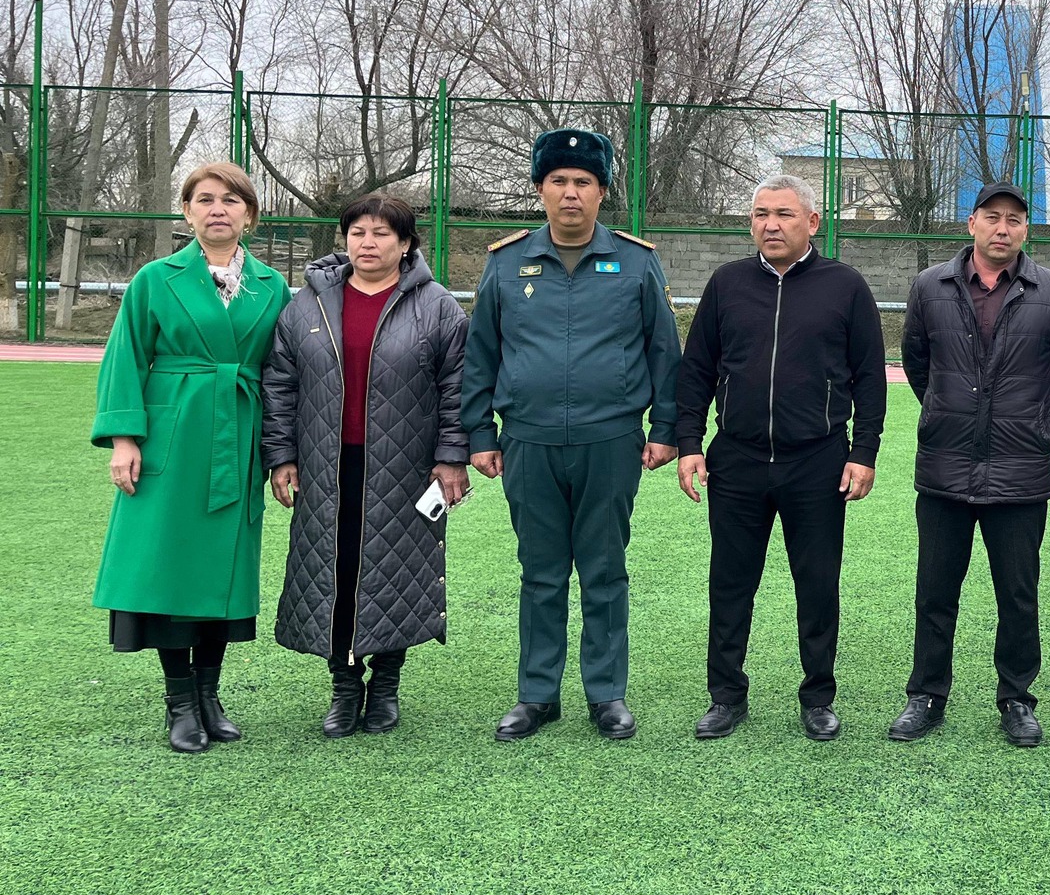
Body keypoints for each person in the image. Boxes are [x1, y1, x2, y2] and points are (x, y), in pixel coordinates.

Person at [461, 129, 682, 742]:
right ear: (539, 189)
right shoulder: (506, 263)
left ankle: (606, 694)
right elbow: (480, 355)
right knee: (540, 570)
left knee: (606, 568)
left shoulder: (636, 261)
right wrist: (481, 432)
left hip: (609, 440)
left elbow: (664, 352)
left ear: (602, 191)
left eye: (583, 181)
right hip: (527, 440)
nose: (570, 193)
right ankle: (537, 695)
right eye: (557, 180)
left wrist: (665, 428)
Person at [674, 175, 887, 744]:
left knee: (817, 583)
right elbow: (695, 371)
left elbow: (870, 377)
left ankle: (818, 697)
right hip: (737, 461)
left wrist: (863, 451)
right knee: (730, 582)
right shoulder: (727, 284)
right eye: (761, 214)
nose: (771, 224)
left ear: (812, 222)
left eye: (785, 215)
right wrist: (690, 443)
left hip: (817, 461)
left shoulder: (845, 286)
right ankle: (726, 696)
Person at [90, 163, 289, 753]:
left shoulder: (271, 286)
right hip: (172, 439)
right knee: (171, 564)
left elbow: (282, 372)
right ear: (187, 213)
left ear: (250, 215)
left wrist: (281, 452)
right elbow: (126, 357)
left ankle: (210, 695)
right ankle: (179, 701)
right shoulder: (156, 279)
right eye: (204, 199)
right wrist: (125, 439)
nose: (218, 209)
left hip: (238, 433)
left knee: (220, 570)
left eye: (232, 200)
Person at [261, 195, 470, 737]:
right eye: (357, 232)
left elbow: (458, 388)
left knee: (394, 571)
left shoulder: (437, 306)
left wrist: (451, 457)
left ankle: (386, 686)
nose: (368, 243)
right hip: (326, 465)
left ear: (405, 244)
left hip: (406, 468)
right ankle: (344, 687)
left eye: (381, 234)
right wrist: (281, 455)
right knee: (335, 570)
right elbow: (279, 386)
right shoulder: (306, 305)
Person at [891, 182, 1050, 748]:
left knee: (1018, 594)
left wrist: (1034, 420)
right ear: (971, 224)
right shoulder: (930, 287)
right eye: (992, 218)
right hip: (945, 469)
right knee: (934, 590)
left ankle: (1017, 700)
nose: (1003, 228)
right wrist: (949, 414)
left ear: (1026, 230)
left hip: (1019, 472)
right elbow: (918, 364)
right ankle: (926, 695)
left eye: (1015, 220)